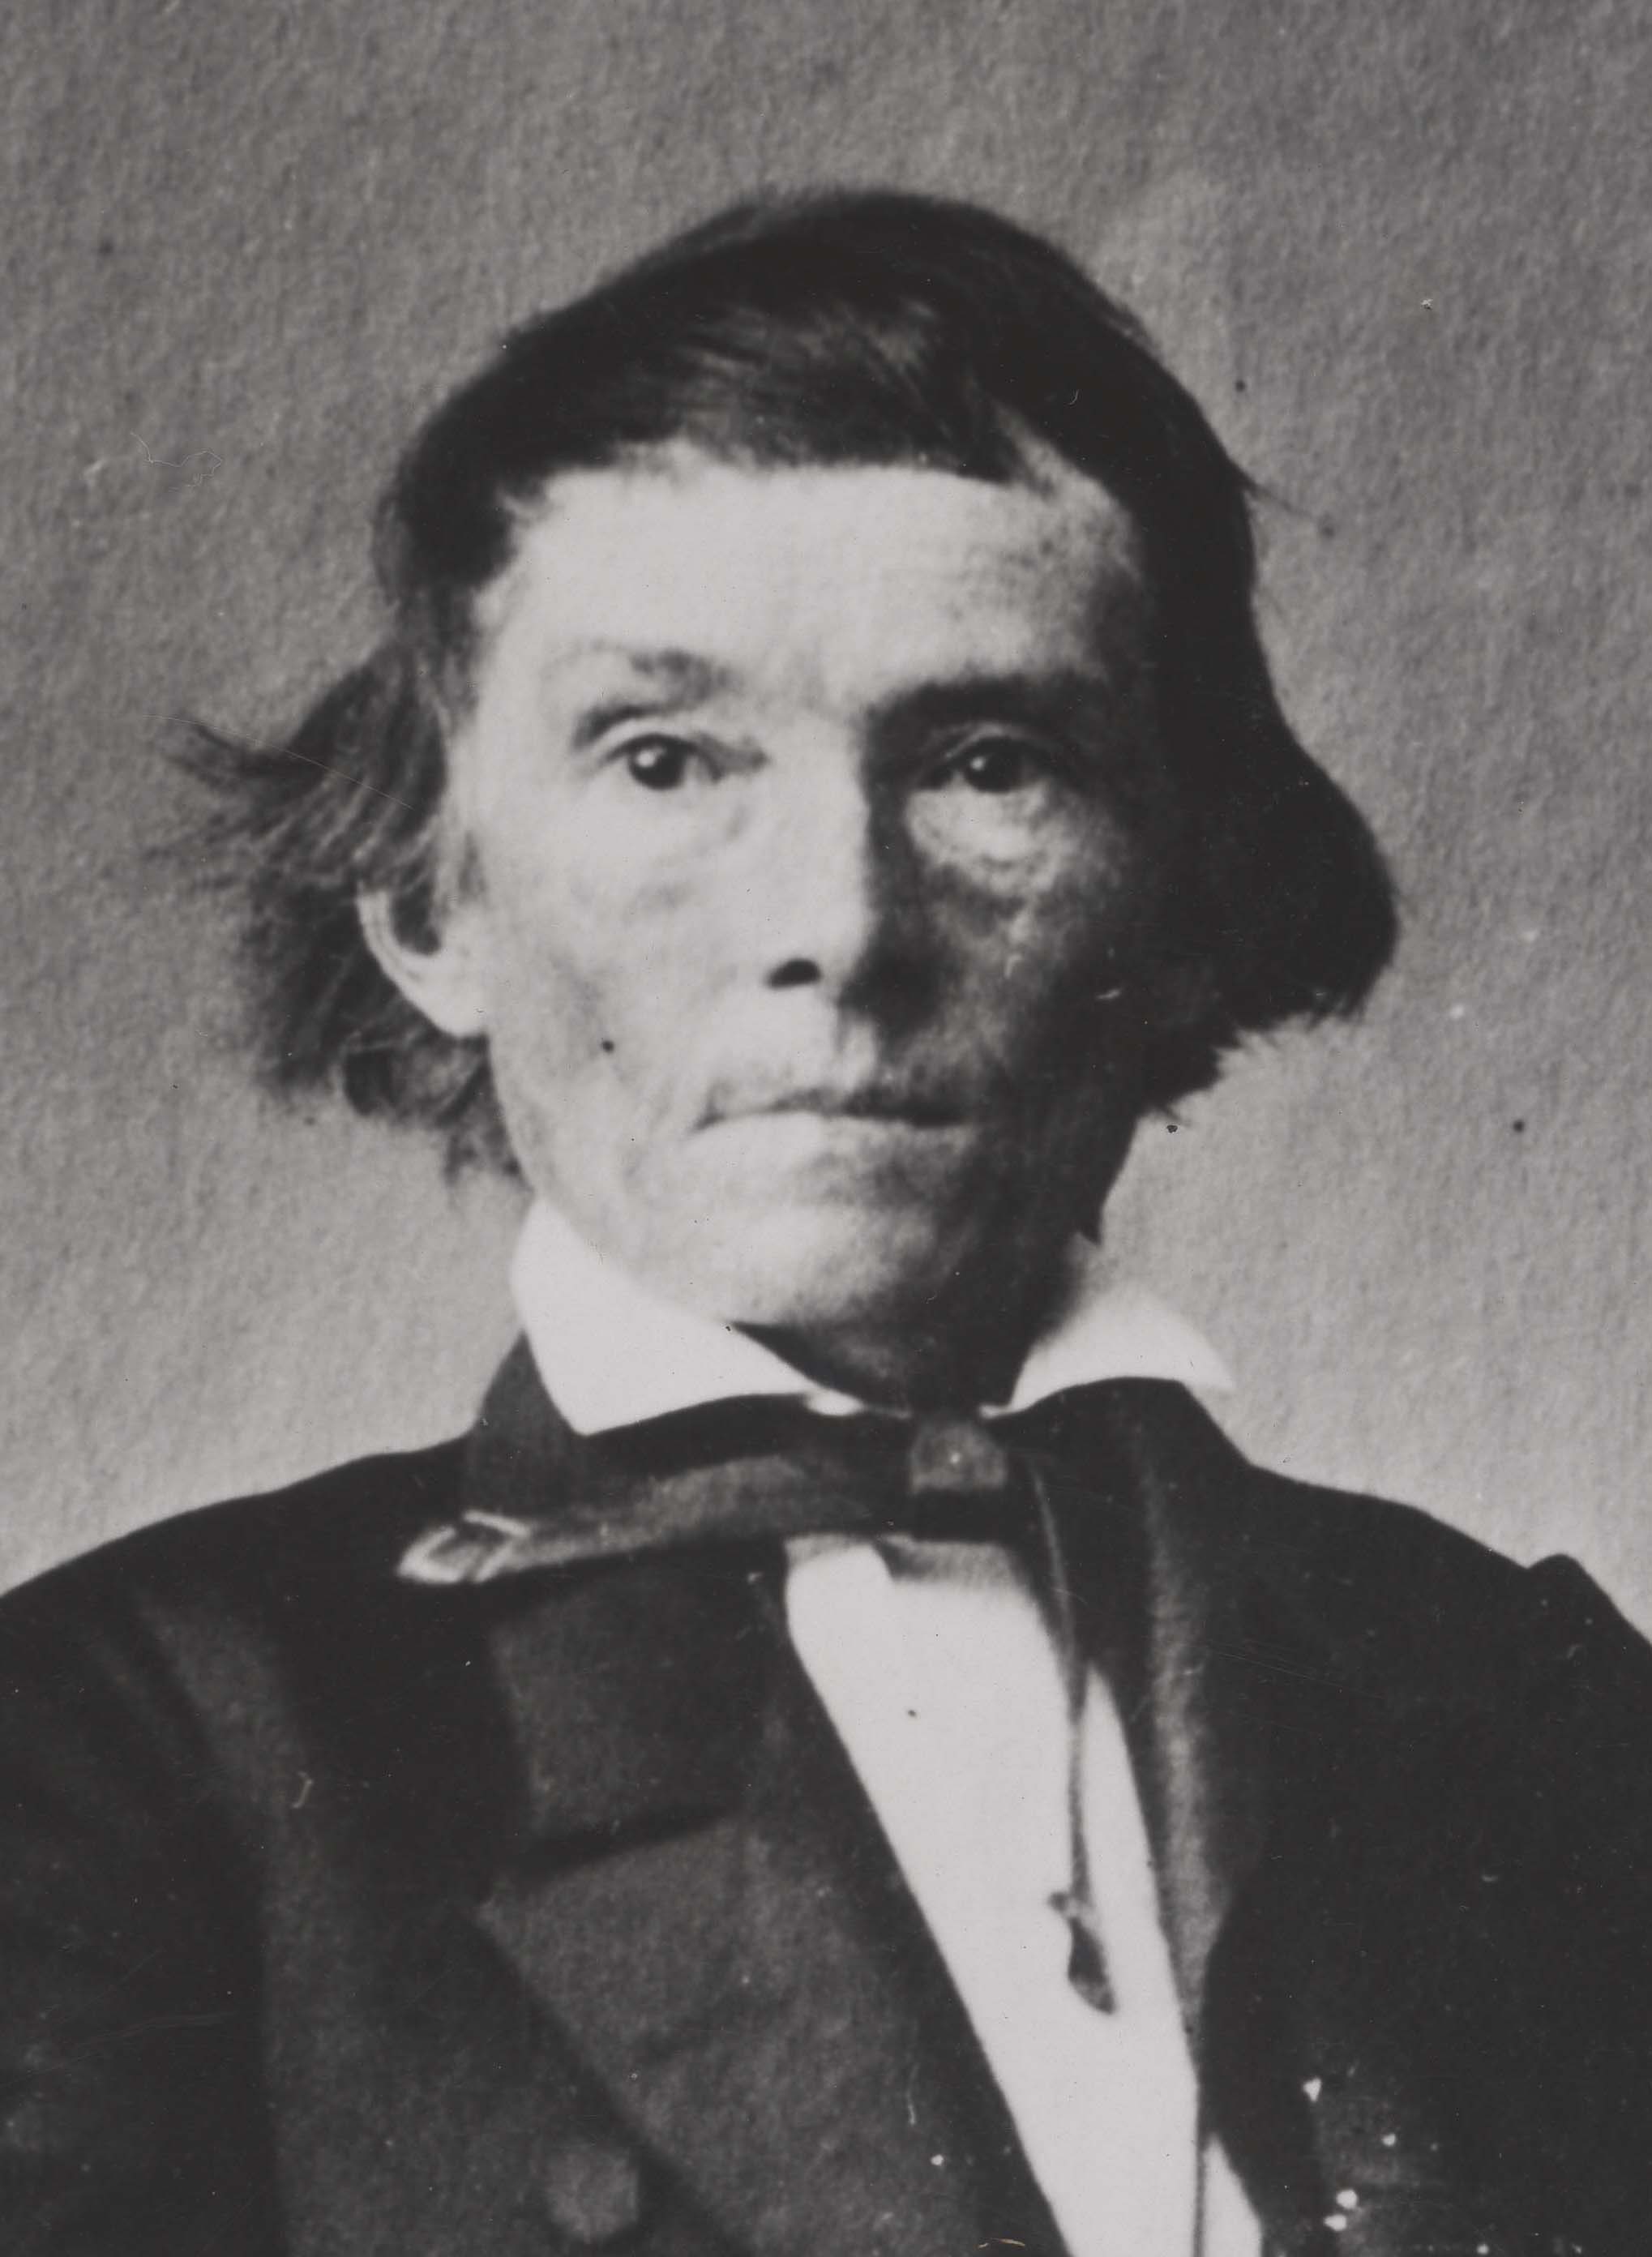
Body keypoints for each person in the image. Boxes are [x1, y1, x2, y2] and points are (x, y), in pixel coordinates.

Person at [2, 189, 1650, 2257]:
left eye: (986, 762)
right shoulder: (118, 1756)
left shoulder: (1522, 1701)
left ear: (1188, 894)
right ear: (432, 907)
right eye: (664, 761)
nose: (839, 927)